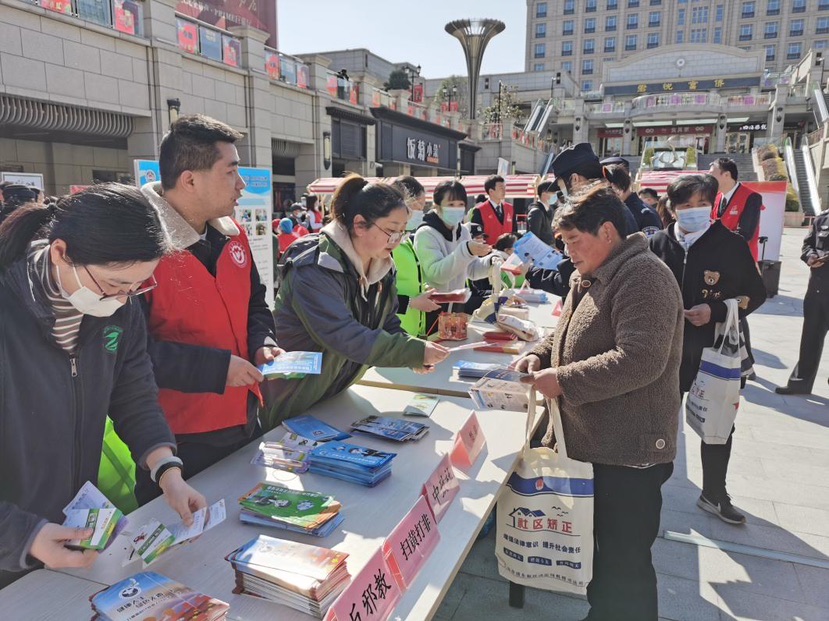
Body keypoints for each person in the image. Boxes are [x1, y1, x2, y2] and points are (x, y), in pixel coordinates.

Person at [0, 184, 206, 587]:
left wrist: (166, 469)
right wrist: (23, 534)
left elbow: (134, 392)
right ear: (61, 252)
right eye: (114, 283)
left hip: (71, 532)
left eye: (138, 286)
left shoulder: (117, 310)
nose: (124, 298)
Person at [513, 183, 683, 621]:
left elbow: (640, 360)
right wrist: (539, 354)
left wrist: (562, 380)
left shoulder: (644, 276)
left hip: (628, 452)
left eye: (573, 240)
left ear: (607, 231)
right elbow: (564, 332)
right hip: (595, 443)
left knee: (625, 561)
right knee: (602, 556)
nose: (567, 251)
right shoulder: (588, 274)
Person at [138, 114, 280, 504]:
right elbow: (129, 356)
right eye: (231, 171)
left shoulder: (234, 236)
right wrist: (217, 369)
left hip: (246, 417)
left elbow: (255, 302)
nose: (242, 184)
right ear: (190, 179)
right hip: (178, 442)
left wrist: (262, 341)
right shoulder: (137, 250)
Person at [262, 174, 449, 428]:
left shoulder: (382, 265)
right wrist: (412, 351)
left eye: (402, 232)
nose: (397, 240)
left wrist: (412, 352)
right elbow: (343, 335)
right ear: (360, 225)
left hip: (335, 397)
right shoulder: (314, 267)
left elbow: (387, 322)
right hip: (292, 400)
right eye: (391, 231)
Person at [649, 174, 766, 525]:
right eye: (686, 206)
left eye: (702, 204)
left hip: (713, 350)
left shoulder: (729, 244)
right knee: (657, 420)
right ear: (672, 208)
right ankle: (647, 488)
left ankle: (714, 492)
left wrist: (715, 311)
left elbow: (755, 294)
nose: (695, 212)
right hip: (665, 351)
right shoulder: (656, 244)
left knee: (718, 423)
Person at [415, 180, 495, 330]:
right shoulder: (426, 233)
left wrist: (491, 262)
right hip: (432, 308)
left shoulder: (463, 231)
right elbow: (436, 274)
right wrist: (466, 251)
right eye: (451, 205)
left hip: (457, 307)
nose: (456, 209)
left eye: (460, 205)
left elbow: (471, 270)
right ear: (437, 206)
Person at [776, 209, 829, 395]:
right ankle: (800, 383)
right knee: (810, 338)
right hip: (817, 289)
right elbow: (808, 244)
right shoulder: (823, 217)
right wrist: (810, 256)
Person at [391, 176, 439, 337]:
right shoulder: (385, 244)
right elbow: (376, 296)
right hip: (393, 332)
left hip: (411, 330)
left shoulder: (405, 239)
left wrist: (421, 289)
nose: (421, 212)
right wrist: (412, 303)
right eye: (419, 205)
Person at [708, 158, 762, 261]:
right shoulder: (716, 197)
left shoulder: (752, 197)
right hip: (717, 258)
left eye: (711, 175)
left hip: (740, 260)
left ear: (727, 175)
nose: (709, 179)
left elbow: (745, 234)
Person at [605, 164, 662, 237]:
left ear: (618, 187)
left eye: (607, 188)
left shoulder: (646, 215)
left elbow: (651, 245)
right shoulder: (612, 210)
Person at [470, 175, 514, 242]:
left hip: (508, 251)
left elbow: (514, 231)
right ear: (491, 191)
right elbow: (476, 236)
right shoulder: (479, 210)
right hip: (489, 251)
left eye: (504, 188)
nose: (504, 191)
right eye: (501, 188)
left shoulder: (510, 208)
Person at [527, 180, 557, 246]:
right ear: (543, 194)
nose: (555, 195)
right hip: (540, 251)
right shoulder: (536, 212)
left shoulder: (550, 210)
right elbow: (533, 237)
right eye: (553, 192)